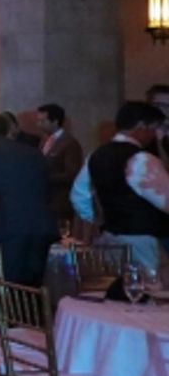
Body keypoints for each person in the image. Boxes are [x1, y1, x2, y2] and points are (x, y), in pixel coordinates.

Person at [71, 101, 169, 273]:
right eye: (153, 129)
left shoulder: (96, 154)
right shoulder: (141, 159)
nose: (155, 135)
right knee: (148, 291)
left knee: (117, 290)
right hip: (143, 241)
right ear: (141, 126)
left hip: (110, 239)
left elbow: (78, 196)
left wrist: (101, 221)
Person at [0, 113, 58, 286]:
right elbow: (47, 189)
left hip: (7, 227)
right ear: (7, 131)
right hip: (42, 225)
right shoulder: (34, 153)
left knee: (10, 289)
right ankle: (36, 314)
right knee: (34, 289)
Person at [36, 103, 83, 227]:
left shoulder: (70, 143)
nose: (39, 124)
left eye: (43, 121)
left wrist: (45, 177)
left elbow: (72, 174)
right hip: (45, 200)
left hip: (60, 202)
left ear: (55, 121)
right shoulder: (44, 140)